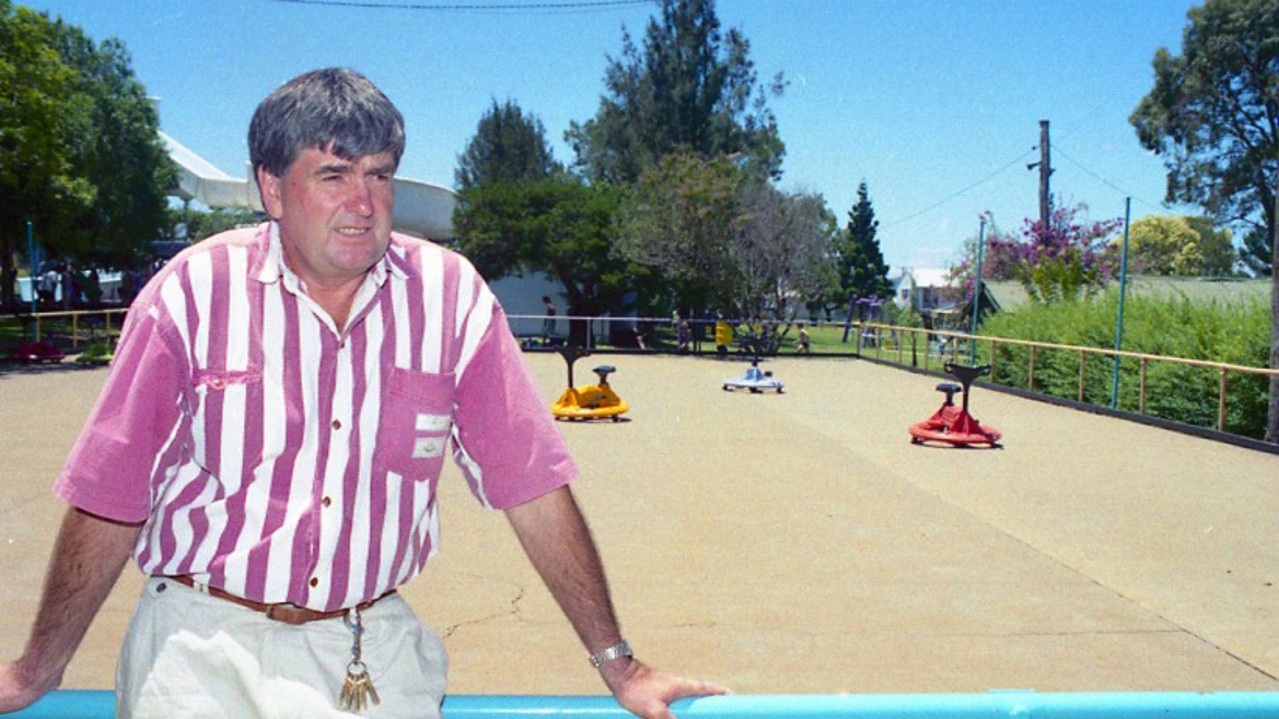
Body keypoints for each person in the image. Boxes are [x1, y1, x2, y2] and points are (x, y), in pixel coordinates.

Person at [0, 68, 725, 719]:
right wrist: (39, 667)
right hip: (198, 647)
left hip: (368, 646)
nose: (363, 203)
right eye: (334, 175)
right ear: (272, 188)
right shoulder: (191, 294)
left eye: (380, 176)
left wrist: (617, 663)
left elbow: (532, 489)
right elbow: (110, 493)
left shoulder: (452, 299)